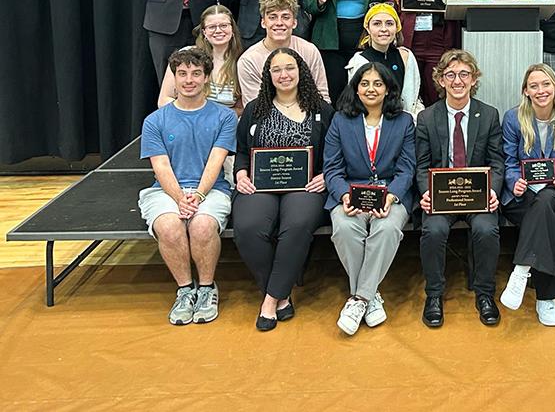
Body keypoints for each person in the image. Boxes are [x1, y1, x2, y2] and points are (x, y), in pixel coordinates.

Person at [232, 48, 333, 330]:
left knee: (297, 225)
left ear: (301, 71)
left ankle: (269, 300)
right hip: (259, 185)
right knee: (248, 227)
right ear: (268, 75)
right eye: (276, 70)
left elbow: (336, 151)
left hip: (307, 184)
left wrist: (326, 176)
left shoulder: (321, 110)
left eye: (289, 68)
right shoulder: (255, 109)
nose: (283, 75)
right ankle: (281, 294)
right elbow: (242, 150)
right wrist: (241, 173)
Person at [138, 47, 237, 325]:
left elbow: (216, 160)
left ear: (206, 78)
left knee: (202, 226)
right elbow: (161, 166)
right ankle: (185, 290)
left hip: (212, 189)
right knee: (169, 227)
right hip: (166, 191)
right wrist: (180, 197)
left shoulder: (225, 117)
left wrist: (199, 195)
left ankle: (206, 288)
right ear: (175, 78)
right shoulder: (155, 121)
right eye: (182, 74)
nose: (189, 80)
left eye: (196, 73)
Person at [323, 63, 416, 335]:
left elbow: (407, 168)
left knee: (387, 228)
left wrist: (391, 196)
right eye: (364, 83)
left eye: (378, 83)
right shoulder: (341, 121)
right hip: (351, 192)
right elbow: (332, 168)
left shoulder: (404, 122)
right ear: (356, 88)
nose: (371, 89)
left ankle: (358, 299)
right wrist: (343, 195)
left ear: (388, 89)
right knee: (344, 227)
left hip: (390, 193)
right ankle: (370, 295)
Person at [415, 50, 504, 328]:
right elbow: (421, 165)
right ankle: (434, 295)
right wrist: (426, 192)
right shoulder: (427, 118)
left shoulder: (488, 115)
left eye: (464, 74)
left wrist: (493, 190)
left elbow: (497, 162)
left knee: (486, 230)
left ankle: (485, 294)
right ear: (440, 80)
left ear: (474, 79)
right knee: (433, 230)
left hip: (478, 196)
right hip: (441, 197)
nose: (457, 81)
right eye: (450, 75)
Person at [499, 64, 555, 327]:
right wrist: (514, 181)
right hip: (521, 194)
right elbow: (509, 161)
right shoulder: (513, 118)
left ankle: (521, 270)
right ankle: (547, 299)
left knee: (546, 203)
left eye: (546, 84)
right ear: (526, 91)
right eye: (534, 86)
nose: (541, 90)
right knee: (549, 221)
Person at [237, 0, 330, 103]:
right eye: (272, 17)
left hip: (307, 110)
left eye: (285, 17)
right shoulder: (249, 60)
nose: (279, 23)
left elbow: (322, 96)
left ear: (294, 23)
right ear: (263, 22)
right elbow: (254, 106)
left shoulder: (309, 51)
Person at [346, 3, 423, 117]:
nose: (383, 29)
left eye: (389, 24)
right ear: (368, 28)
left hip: (404, 119)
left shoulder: (406, 56)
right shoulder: (359, 61)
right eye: (377, 24)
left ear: (397, 28)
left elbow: (413, 98)